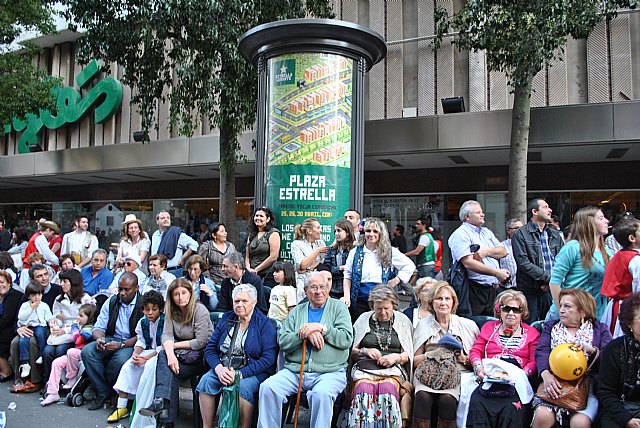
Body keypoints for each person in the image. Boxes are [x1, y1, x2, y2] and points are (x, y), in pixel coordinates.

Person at [258, 272, 353, 428]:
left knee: (321, 395)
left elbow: (346, 338)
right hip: (295, 371)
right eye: (314, 287)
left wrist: (322, 328)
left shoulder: (339, 308)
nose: (319, 291)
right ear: (305, 290)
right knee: (268, 388)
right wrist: (302, 334)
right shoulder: (297, 311)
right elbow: (283, 341)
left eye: (322, 287)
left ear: (328, 288)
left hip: (330, 372)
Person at [198, 284, 278, 428]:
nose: (239, 304)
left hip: (251, 370)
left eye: (244, 301)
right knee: (206, 382)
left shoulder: (264, 323)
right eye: (236, 301)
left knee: (242, 388)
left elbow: (268, 358)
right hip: (225, 367)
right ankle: (207, 426)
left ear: (254, 302)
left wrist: (240, 374)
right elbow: (210, 349)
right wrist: (219, 369)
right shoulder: (227, 318)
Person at [138, 278, 214, 428]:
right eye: (176, 294)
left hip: (199, 359)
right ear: (171, 297)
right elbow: (166, 335)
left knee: (165, 361)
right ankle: (161, 403)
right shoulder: (171, 311)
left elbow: (200, 341)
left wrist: (173, 347)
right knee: (165, 360)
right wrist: (171, 354)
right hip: (179, 357)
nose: (180, 297)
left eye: (183, 293)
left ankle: (165, 416)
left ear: (190, 294)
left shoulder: (200, 310)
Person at [532, 289, 611, 428]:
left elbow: (609, 360)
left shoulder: (600, 329)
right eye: (561, 305)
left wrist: (592, 351)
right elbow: (541, 351)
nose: (561, 310)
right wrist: (545, 374)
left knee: (580, 423)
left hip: (586, 388)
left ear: (583, 311)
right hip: (553, 384)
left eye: (567, 306)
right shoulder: (551, 327)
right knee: (542, 416)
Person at [341, 285, 413, 428]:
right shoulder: (363, 319)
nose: (383, 312)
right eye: (378, 308)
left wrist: (395, 357)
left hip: (393, 370)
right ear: (372, 305)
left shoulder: (403, 320)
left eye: (387, 308)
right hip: (365, 369)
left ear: (394, 305)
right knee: (363, 389)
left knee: (387, 389)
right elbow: (351, 351)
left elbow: (408, 353)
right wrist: (365, 351)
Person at [467, 290, 539, 428]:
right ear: (499, 310)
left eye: (516, 310)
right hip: (489, 377)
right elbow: (476, 351)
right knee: (476, 403)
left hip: (516, 381)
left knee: (511, 409)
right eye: (506, 308)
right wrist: (478, 368)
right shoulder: (489, 327)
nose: (510, 313)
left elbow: (533, 361)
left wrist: (522, 375)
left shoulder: (532, 333)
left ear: (522, 313)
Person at [412, 282, 479, 428]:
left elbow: (475, 362)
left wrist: (463, 358)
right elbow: (414, 361)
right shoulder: (423, 325)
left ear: (453, 302)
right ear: (431, 302)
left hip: (453, 374)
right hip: (426, 373)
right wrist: (432, 354)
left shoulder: (468, 325)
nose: (443, 303)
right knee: (422, 396)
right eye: (439, 299)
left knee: (447, 400)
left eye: (447, 299)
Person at [81, 272, 144, 410]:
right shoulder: (112, 301)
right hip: (112, 337)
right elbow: (98, 327)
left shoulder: (143, 304)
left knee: (120, 359)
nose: (122, 293)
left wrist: (121, 344)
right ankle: (104, 391)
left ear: (137, 288)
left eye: (126, 289)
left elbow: (143, 335)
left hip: (132, 342)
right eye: (120, 289)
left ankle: (103, 389)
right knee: (87, 352)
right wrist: (100, 339)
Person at [107, 291, 165, 422]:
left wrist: (146, 358)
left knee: (149, 367)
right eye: (146, 309)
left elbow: (162, 346)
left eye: (153, 309)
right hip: (147, 351)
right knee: (129, 366)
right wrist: (136, 354)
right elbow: (141, 341)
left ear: (160, 309)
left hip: (159, 353)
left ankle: (144, 403)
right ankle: (121, 407)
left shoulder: (165, 322)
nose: (150, 313)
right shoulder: (142, 322)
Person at [343, 217, 415, 322]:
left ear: (381, 233)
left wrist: (395, 280)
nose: (371, 234)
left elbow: (409, 266)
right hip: (358, 301)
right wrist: (346, 296)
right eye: (368, 231)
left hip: (382, 301)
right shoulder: (355, 253)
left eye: (375, 231)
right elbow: (348, 275)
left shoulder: (390, 251)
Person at [549, 206, 611, 321]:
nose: (606, 221)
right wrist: (562, 311)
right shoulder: (572, 248)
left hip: (597, 315)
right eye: (601, 218)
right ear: (589, 222)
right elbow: (554, 283)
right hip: (569, 316)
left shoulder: (607, 251)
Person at [448, 200, 510, 316]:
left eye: (482, 212)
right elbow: (468, 262)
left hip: (492, 290)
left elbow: (503, 251)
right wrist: (496, 273)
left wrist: (486, 251)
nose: (483, 214)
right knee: (473, 325)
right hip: (473, 289)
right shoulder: (461, 234)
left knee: (492, 325)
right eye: (478, 212)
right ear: (467, 216)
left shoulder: (486, 232)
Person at [512, 198, 565, 323]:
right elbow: (523, 263)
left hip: (553, 289)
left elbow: (562, 260)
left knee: (554, 325)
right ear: (535, 211)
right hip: (531, 289)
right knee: (531, 326)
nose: (550, 210)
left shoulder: (555, 234)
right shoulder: (520, 234)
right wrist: (548, 278)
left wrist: (552, 281)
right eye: (545, 207)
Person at [41, 303, 98, 406]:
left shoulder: (89, 329)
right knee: (57, 362)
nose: (78, 318)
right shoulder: (82, 327)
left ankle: (71, 378)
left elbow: (77, 340)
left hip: (83, 354)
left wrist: (74, 327)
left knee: (71, 351)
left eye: (81, 316)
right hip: (74, 356)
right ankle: (52, 392)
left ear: (89, 318)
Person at [598, 292, 640, 427]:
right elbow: (606, 392)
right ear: (629, 324)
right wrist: (626, 419)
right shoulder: (614, 349)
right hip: (621, 408)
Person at [43, 269, 93, 380]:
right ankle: (48, 381)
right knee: (47, 351)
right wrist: (56, 322)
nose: (61, 284)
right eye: (61, 281)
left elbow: (86, 321)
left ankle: (64, 380)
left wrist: (66, 330)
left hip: (76, 333)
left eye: (65, 281)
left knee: (61, 350)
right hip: (61, 333)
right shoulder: (59, 299)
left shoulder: (85, 299)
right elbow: (57, 317)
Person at [601, 216, 640, 337]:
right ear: (632, 238)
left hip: (615, 306)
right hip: (630, 308)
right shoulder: (635, 260)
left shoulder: (619, 255)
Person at [16, 282, 54, 380]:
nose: (37, 297)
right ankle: (25, 363)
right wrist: (31, 308)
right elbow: (21, 317)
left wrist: (53, 319)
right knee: (23, 340)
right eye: (33, 295)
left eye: (39, 294)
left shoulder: (44, 305)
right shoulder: (25, 305)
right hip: (28, 326)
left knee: (41, 334)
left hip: (40, 325)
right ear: (29, 296)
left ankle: (41, 354)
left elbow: (48, 316)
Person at [151, 210, 199, 278]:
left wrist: (182, 258)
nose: (166, 219)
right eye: (163, 218)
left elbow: (194, 245)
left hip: (173, 271)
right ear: (157, 221)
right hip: (157, 271)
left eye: (168, 218)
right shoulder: (155, 235)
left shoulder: (176, 234)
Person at [291, 218, 329, 302]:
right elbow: (302, 265)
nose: (321, 230)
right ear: (309, 231)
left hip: (318, 282)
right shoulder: (296, 244)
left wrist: (309, 267)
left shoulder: (320, 243)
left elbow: (323, 262)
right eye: (318, 228)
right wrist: (317, 251)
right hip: (303, 283)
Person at [245, 206, 280, 288]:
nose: (258, 218)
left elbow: (273, 257)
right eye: (256, 216)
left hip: (267, 275)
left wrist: (256, 269)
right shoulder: (252, 234)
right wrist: (248, 268)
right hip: (251, 274)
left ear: (268, 219)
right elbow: (247, 256)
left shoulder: (273, 233)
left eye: (261, 216)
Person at [320, 219, 355, 300]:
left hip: (349, 289)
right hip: (333, 288)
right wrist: (340, 268)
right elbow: (326, 268)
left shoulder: (354, 249)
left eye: (339, 231)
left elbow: (354, 269)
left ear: (347, 232)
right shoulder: (332, 249)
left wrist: (336, 269)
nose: (336, 234)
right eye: (335, 231)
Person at [0, 270, 22, 382]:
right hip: (4, 325)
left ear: (9, 282)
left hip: (14, 325)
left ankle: (6, 371)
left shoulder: (13, 295)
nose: (0, 285)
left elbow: (7, 318)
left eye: (2, 282)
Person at [499, 218, 523, 291]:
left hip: (526, 289)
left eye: (522, 228)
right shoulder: (501, 247)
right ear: (508, 230)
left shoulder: (528, 246)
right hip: (507, 288)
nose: (520, 230)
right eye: (516, 228)